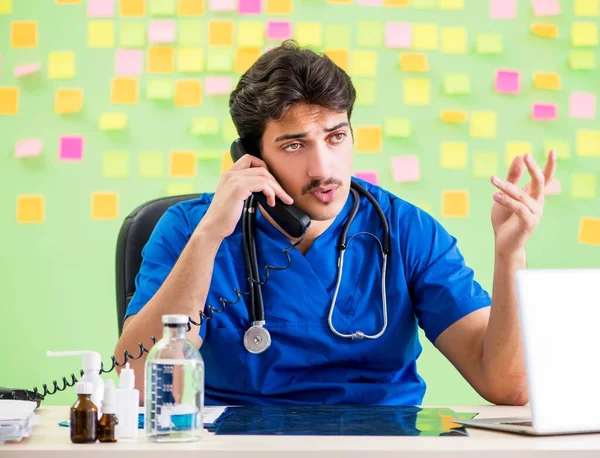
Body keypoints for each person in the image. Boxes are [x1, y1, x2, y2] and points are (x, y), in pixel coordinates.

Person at [114, 40, 557, 407]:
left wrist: (510, 253)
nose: (324, 168)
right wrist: (210, 237)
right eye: (294, 145)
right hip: (236, 445)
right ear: (252, 157)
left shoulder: (406, 231)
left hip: (379, 445)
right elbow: (135, 384)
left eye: (336, 136)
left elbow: (508, 386)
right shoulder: (189, 229)